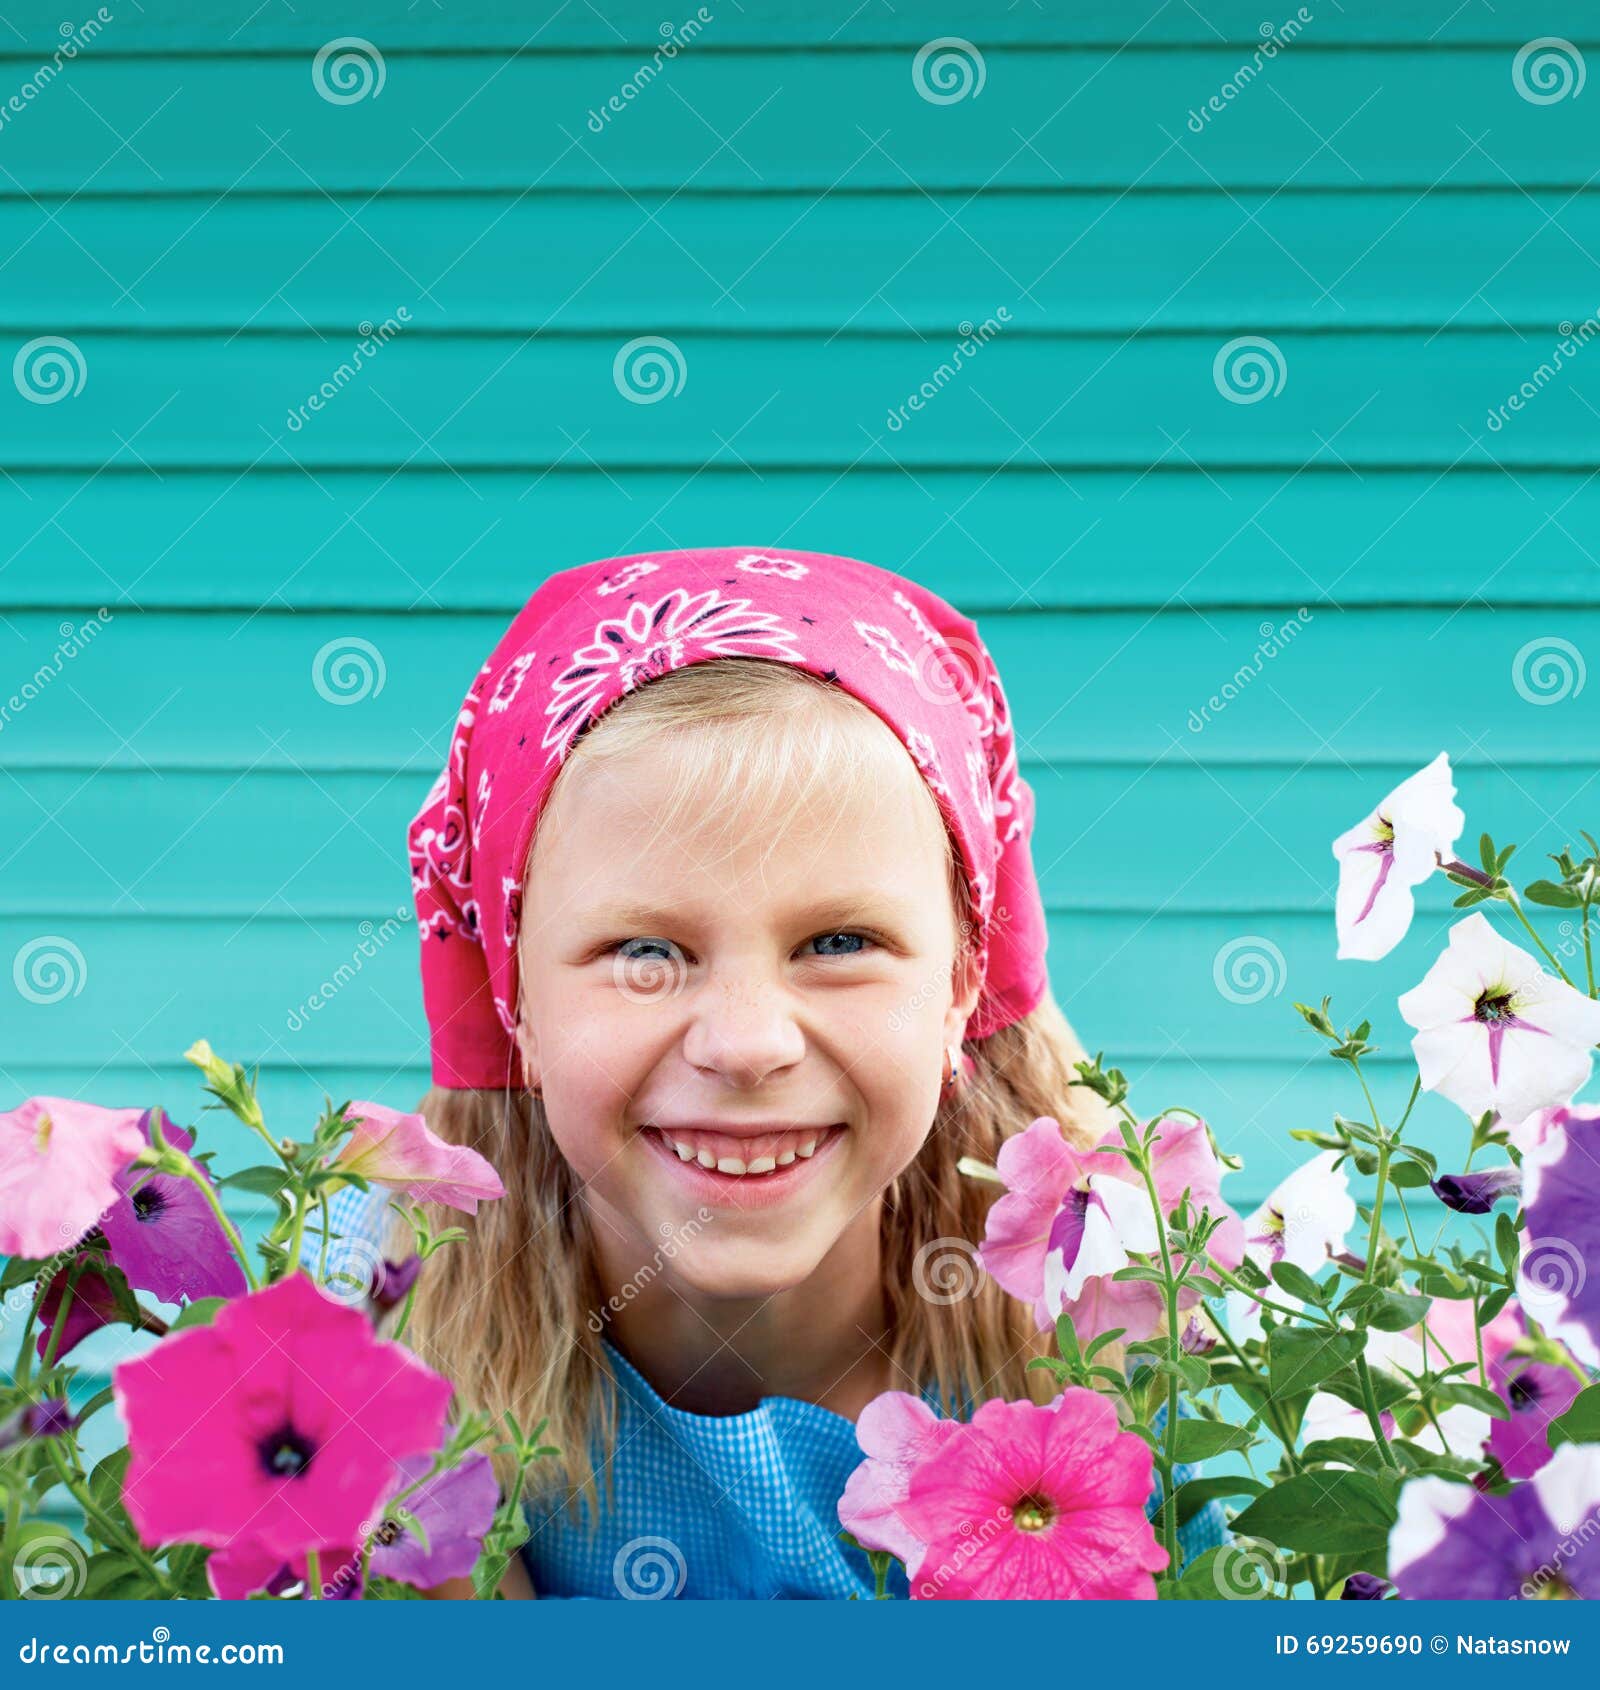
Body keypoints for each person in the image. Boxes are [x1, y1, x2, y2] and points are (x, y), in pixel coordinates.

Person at [315, 546, 1227, 1598]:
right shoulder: (391, 1320)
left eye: (838, 942)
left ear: (962, 981)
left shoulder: (1100, 1309)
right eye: (644, 953)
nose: (748, 1045)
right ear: (512, 993)